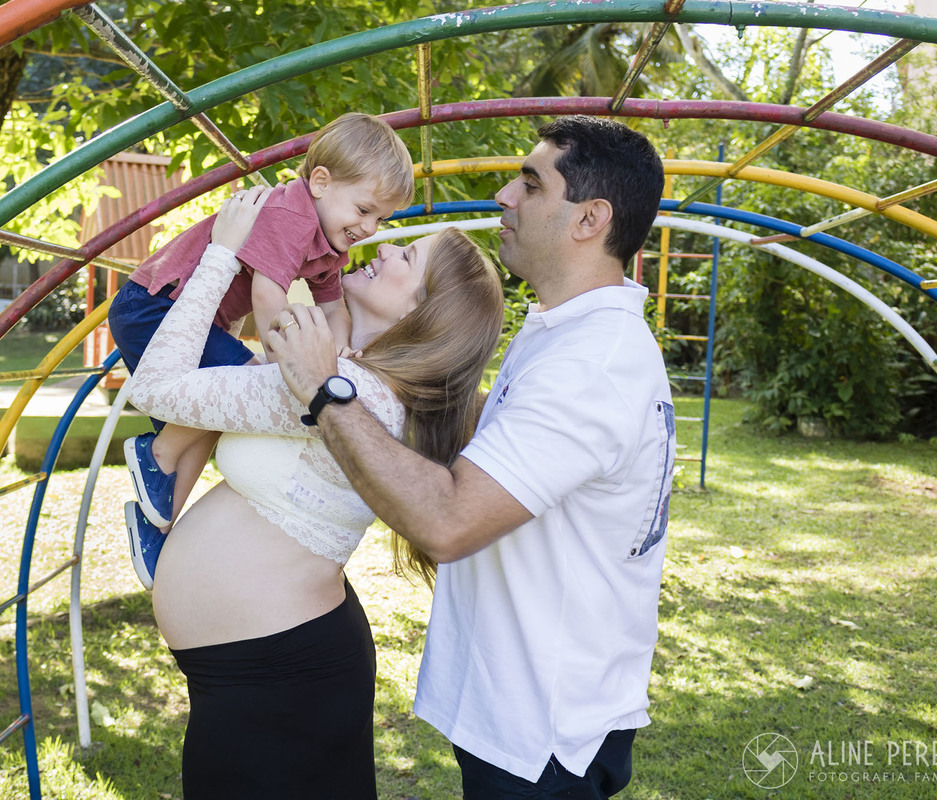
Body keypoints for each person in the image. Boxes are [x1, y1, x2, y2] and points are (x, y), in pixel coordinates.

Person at [266, 116, 675, 799]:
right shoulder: (561, 334)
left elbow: (450, 520)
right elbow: (492, 434)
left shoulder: (592, 363)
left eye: (531, 183)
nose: (503, 199)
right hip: (518, 707)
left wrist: (324, 389)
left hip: (543, 729)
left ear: (589, 219)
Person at [125, 183, 505, 799]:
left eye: (407, 257)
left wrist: (222, 255)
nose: (384, 248)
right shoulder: (360, 381)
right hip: (272, 671)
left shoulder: (341, 387)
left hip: (277, 679)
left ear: (419, 313)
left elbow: (159, 387)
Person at [108, 112, 414, 589]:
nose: (371, 227)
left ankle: (158, 522)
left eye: (381, 218)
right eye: (364, 209)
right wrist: (282, 363)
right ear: (320, 181)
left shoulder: (330, 243)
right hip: (155, 305)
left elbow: (334, 309)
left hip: (193, 317)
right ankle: (157, 453)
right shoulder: (289, 214)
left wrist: (343, 352)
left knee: (216, 419)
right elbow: (268, 297)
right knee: (245, 381)